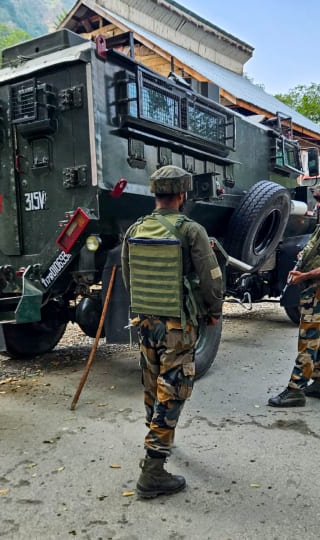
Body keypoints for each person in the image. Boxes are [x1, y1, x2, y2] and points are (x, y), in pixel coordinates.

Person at [121, 165, 223, 498]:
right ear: (182, 195)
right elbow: (211, 278)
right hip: (177, 325)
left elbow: (128, 276)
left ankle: (161, 439)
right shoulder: (190, 230)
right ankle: (153, 471)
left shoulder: (135, 228)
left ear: (156, 194)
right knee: (173, 390)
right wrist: (213, 312)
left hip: (146, 322)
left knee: (153, 386)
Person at [268, 181, 320, 407]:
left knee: (309, 339)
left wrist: (305, 276)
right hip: (319, 289)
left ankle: (296, 389)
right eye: (319, 200)